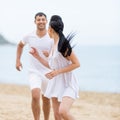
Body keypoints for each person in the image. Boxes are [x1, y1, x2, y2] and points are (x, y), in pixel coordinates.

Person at [30, 15, 80, 120]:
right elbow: (51, 66)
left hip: (68, 83)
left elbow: (76, 64)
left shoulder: (63, 45)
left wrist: (57, 72)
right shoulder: (53, 44)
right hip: (56, 83)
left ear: (50, 29)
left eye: (48, 28)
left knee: (63, 112)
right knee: (57, 115)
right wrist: (37, 57)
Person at [16, 12, 53, 120]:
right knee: (35, 96)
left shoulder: (51, 36)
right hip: (34, 71)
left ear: (46, 21)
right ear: (35, 21)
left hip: (48, 71)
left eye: (43, 19)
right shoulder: (29, 35)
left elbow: (56, 53)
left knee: (46, 98)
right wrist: (18, 60)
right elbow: (20, 45)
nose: (41, 21)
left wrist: (50, 55)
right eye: (38, 19)